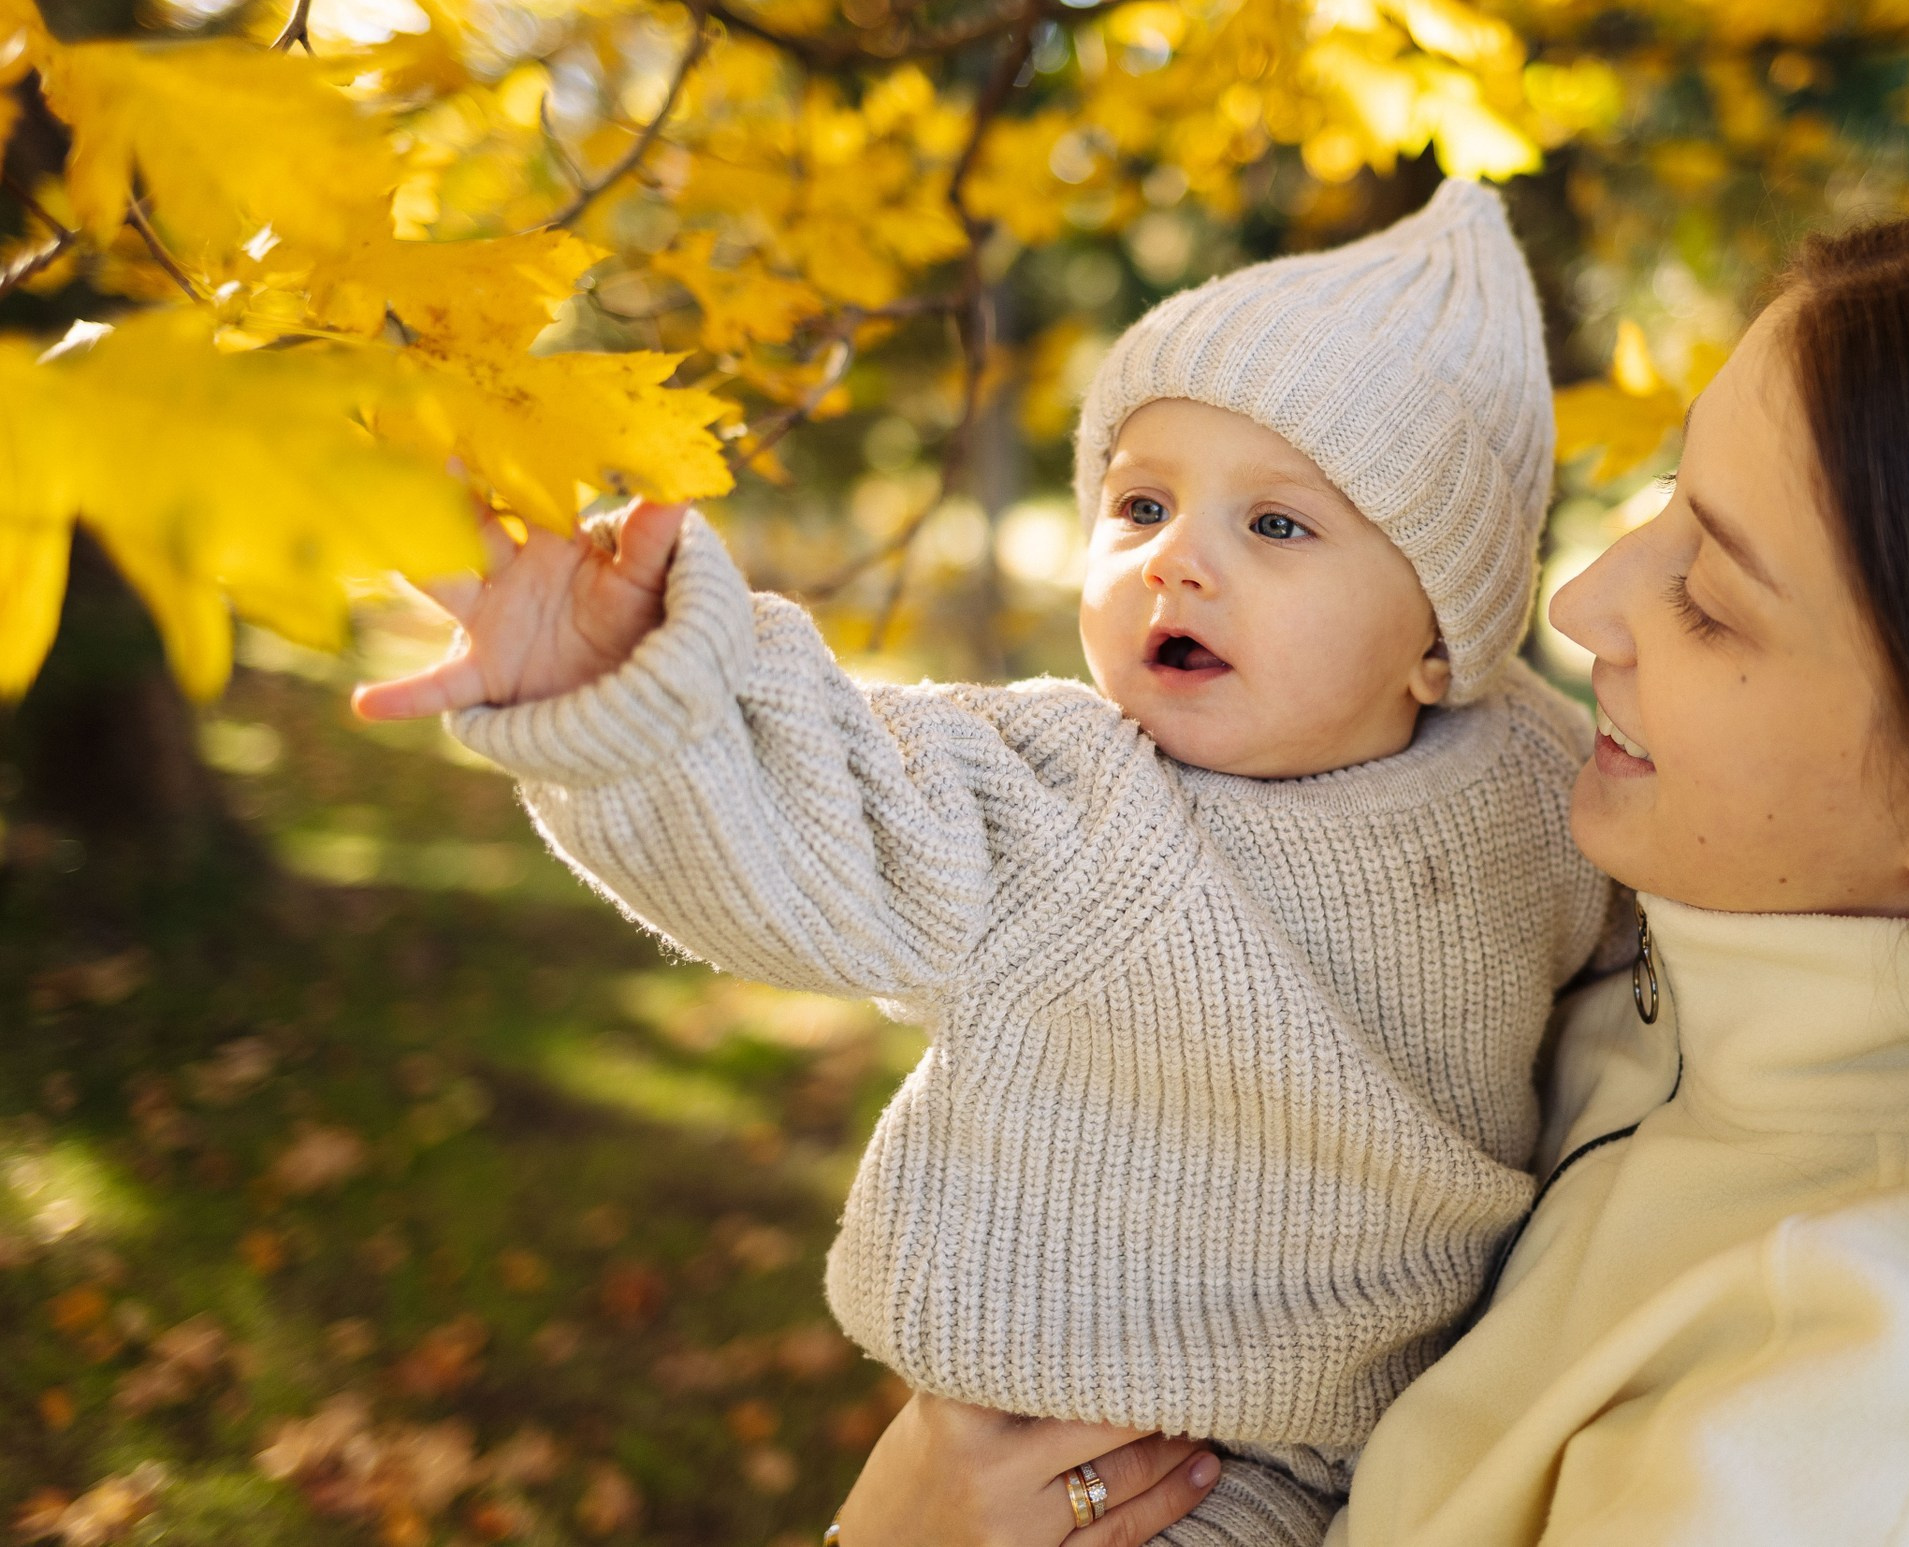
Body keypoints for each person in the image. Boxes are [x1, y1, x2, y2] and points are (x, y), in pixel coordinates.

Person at [837, 211, 1909, 1547]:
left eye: (1714, 597)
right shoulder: (1635, 967)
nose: (1582, 603)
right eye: (1668, 499)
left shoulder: (1876, 1450)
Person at [351, 179, 1617, 1547]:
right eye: (1140, 505)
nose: (1176, 562)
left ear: (1441, 640)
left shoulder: (1537, 785)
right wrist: (630, 692)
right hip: (1110, 1463)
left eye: (1275, 525)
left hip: (1402, 1449)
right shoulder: (1069, 800)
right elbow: (818, 814)